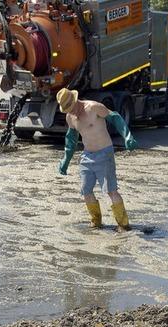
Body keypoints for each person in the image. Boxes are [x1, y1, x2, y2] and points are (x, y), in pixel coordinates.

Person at [56, 88, 137, 231]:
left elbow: (115, 117)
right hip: (87, 156)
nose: (71, 111)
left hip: (104, 154)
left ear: (76, 100)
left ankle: (123, 224)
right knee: (86, 191)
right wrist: (65, 160)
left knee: (111, 191)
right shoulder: (70, 117)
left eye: (71, 107)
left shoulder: (93, 107)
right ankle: (96, 222)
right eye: (67, 109)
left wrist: (127, 136)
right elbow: (71, 140)